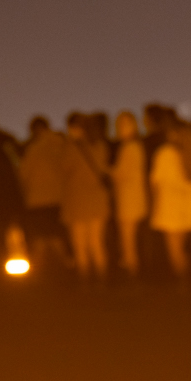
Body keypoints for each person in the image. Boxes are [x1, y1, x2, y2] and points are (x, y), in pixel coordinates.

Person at [59, 112, 112, 283]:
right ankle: (102, 281)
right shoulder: (101, 146)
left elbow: (64, 169)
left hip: (78, 201)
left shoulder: (71, 147)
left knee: (80, 245)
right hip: (97, 200)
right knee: (97, 243)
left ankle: (85, 282)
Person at [148, 113, 191, 278]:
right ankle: (187, 277)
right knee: (181, 246)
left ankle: (181, 280)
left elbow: (155, 180)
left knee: (174, 247)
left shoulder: (164, 153)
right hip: (187, 204)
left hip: (169, 204)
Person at [17, 114, 67, 266]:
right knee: (57, 234)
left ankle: (39, 268)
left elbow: (23, 174)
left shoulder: (33, 148)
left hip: (36, 200)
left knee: (40, 235)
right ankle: (64, 264)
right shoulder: (61, 144)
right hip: (58, 198)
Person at [110, 110, 147, 276]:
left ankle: (133, 273)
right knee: (130, 239)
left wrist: (109, 171)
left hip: (129, 199)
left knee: (128, 240)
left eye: (124, 124)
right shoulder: (135, 146)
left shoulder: (130, 147)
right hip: (133, 198)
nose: (120, 128)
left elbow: (123, 174)